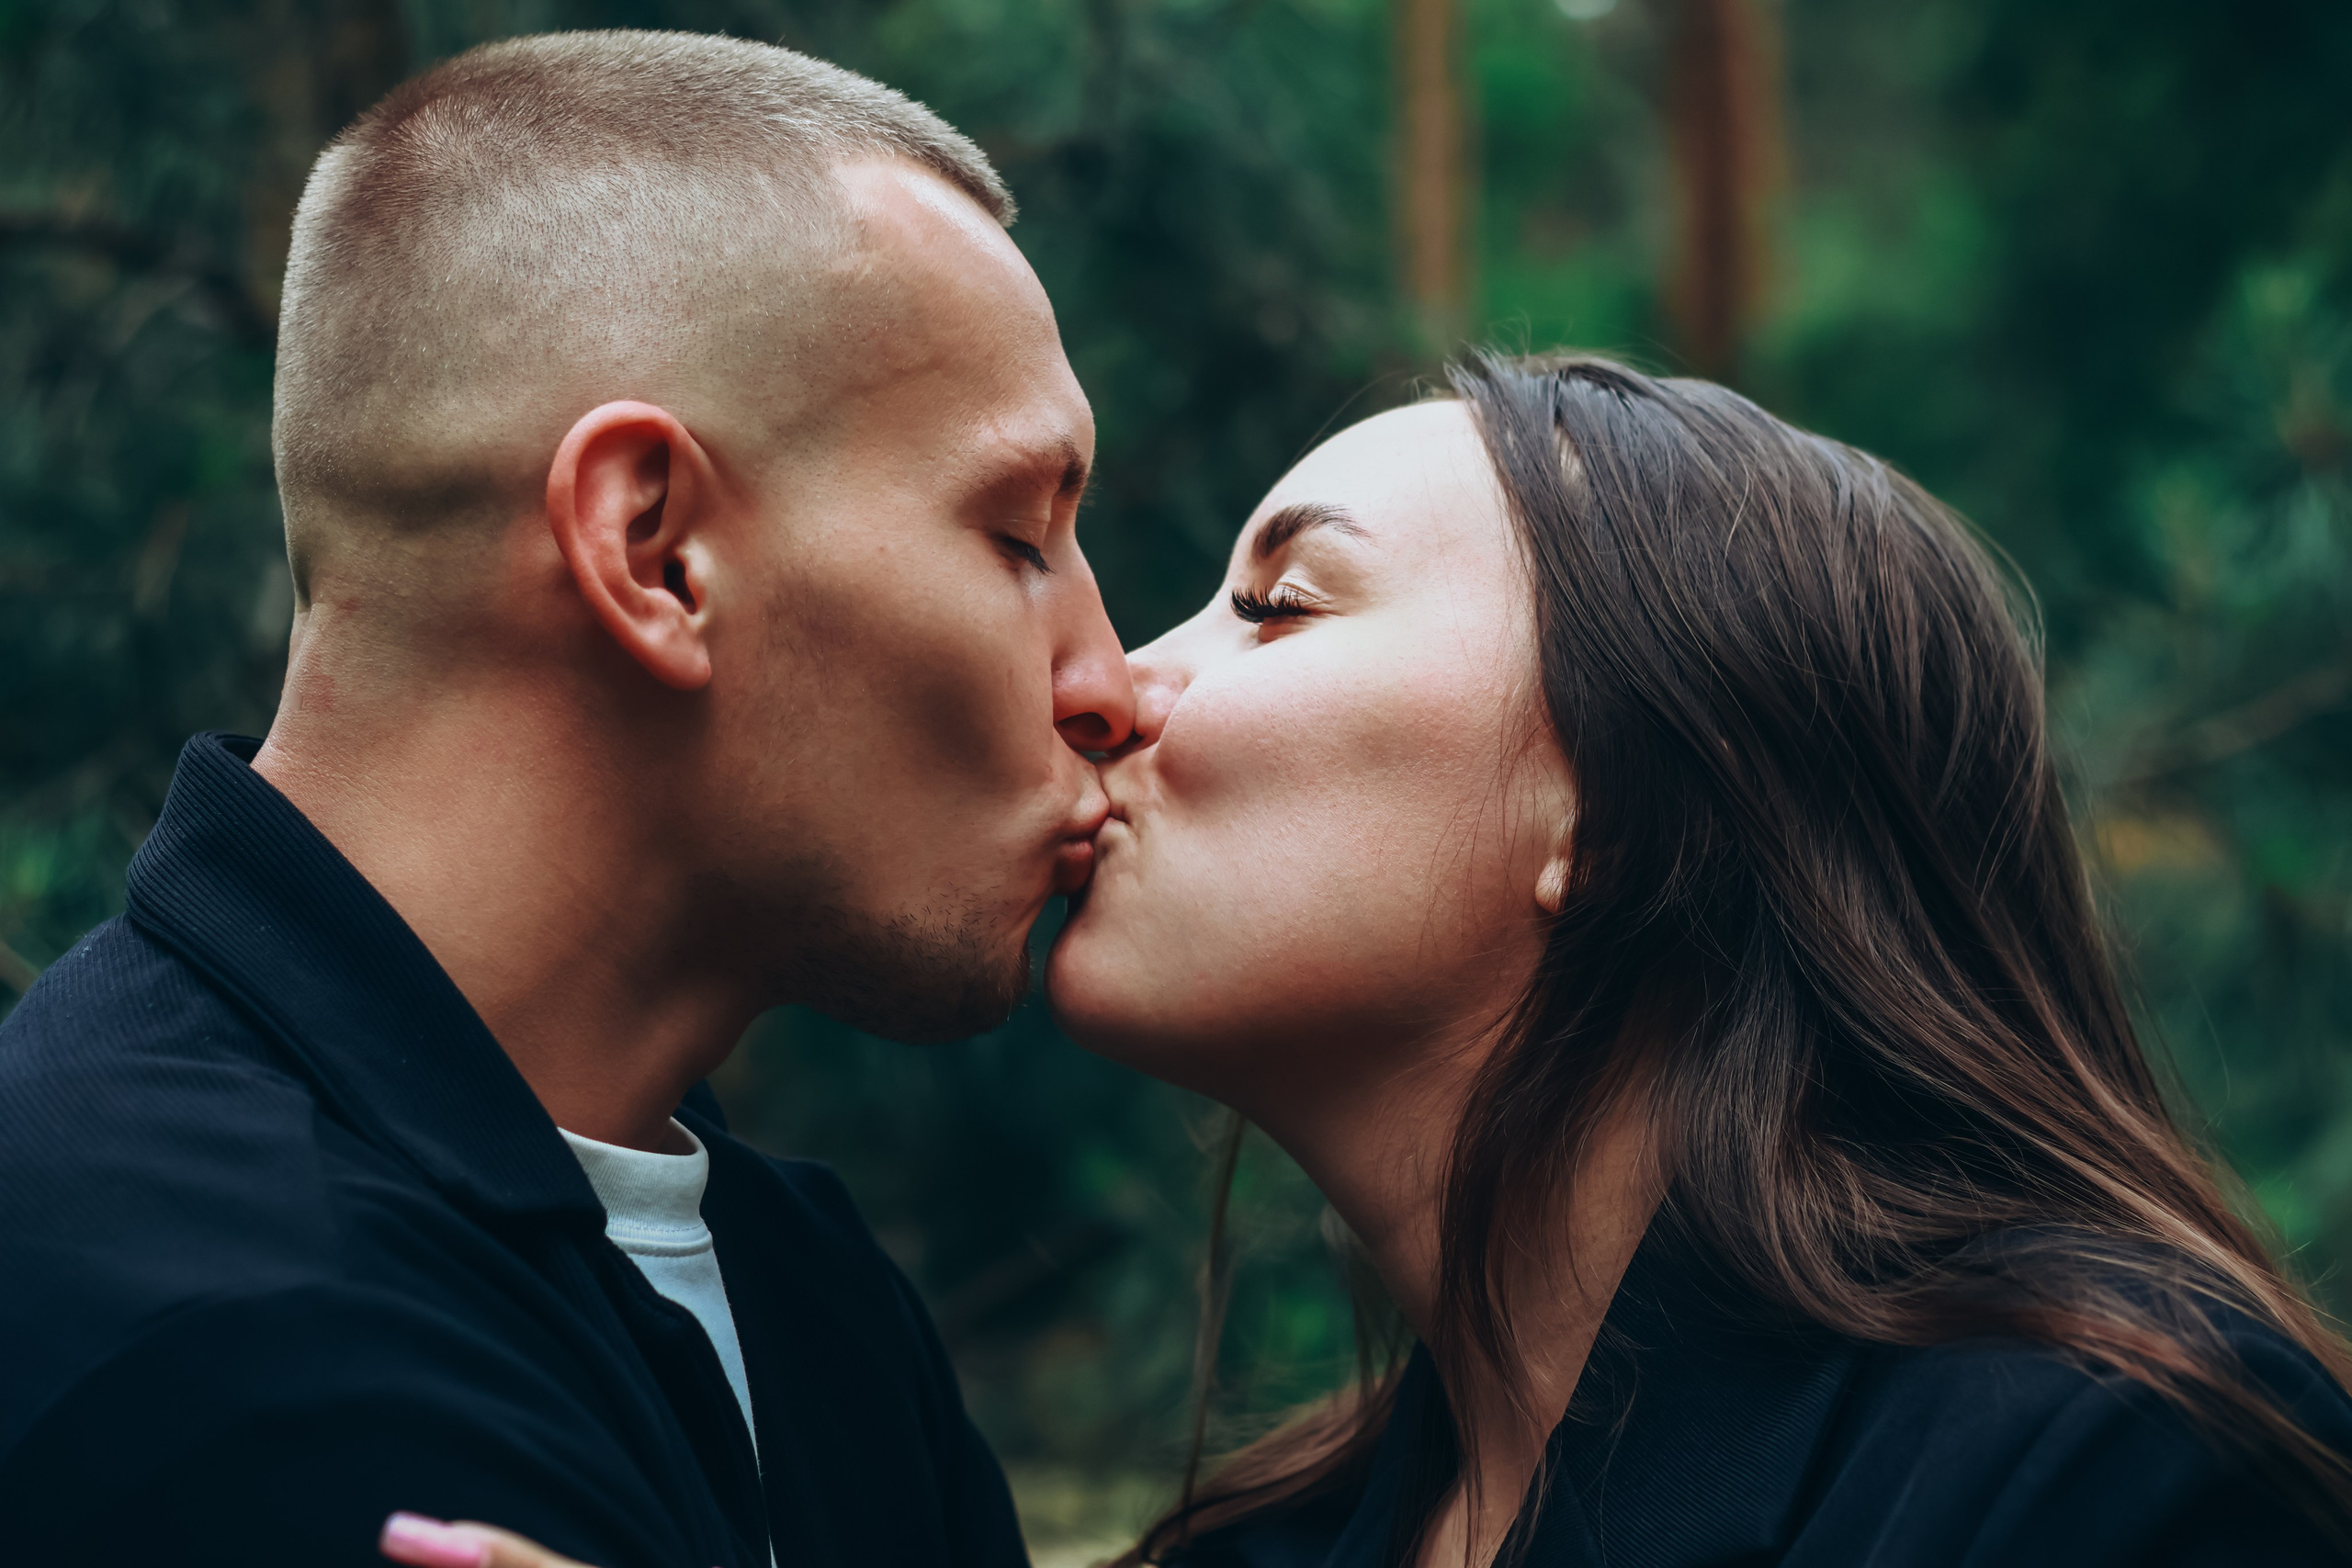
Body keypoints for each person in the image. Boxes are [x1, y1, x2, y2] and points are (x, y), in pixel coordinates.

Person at [0, 29, 1133, 1568]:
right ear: (654, 550)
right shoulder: (217, 1356)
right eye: (1018, 535)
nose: (1108, 684)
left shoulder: (805, 1291)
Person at [1044, 354, 2352, 1566]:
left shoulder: (2111, 1471)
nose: (1106, 684)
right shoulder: (1260, 1548)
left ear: (1616, 807)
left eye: (1277, 606)